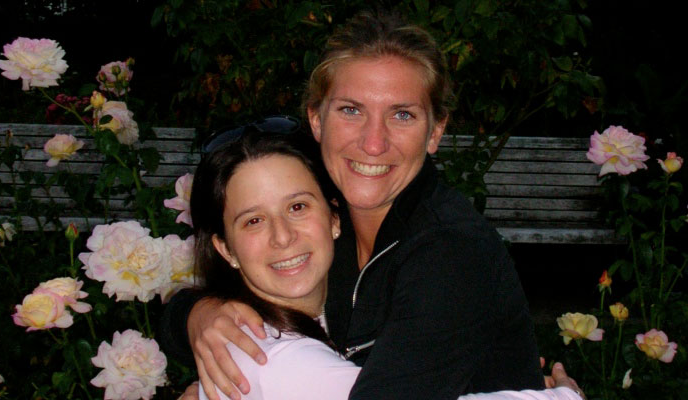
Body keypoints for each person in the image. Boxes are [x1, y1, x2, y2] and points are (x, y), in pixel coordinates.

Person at [161, 12, 546, 400]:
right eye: (351, 110)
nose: (373, 143)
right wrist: (197, 314)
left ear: (436, 132)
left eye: (402, 115)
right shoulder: (322, 212)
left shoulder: (450, 252)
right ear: (316, 119)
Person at [185, 132, 583, 400]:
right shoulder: (277, 362)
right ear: (225, 248)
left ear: (334, 219)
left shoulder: (335, 305)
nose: (282, 236)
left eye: (298, 207)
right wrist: (562, 396)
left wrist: (192, 310)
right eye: (254, 220)